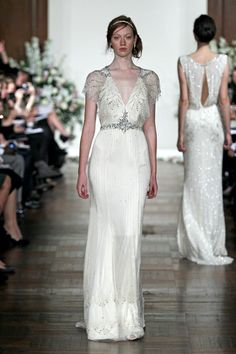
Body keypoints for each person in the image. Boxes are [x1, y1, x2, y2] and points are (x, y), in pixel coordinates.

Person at [76, 15, 160, 341]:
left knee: (130, 233)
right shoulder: (97, 79)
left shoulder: (149, 79)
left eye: (127, 36)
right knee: (106, 232)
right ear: (109, 41)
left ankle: (128, 313)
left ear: (135, 39)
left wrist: (154, 169)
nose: (122, 42)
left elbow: (151, 128)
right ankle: (104, 314)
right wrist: (82, 169)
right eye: (116, 36)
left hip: (136, 158)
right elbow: (87, 128)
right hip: (105, 157)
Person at [176, 14, 233, 265]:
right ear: (212, 33)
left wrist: (179, 134)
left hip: (193, 121)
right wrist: (228, 132)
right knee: (212, 181)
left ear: (195, 34)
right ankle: (210, 240)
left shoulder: (183, 61)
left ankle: (194, 239)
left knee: (193, 180)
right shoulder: (223, 61)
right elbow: (223, 99)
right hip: (212, 122)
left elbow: (185, 100)